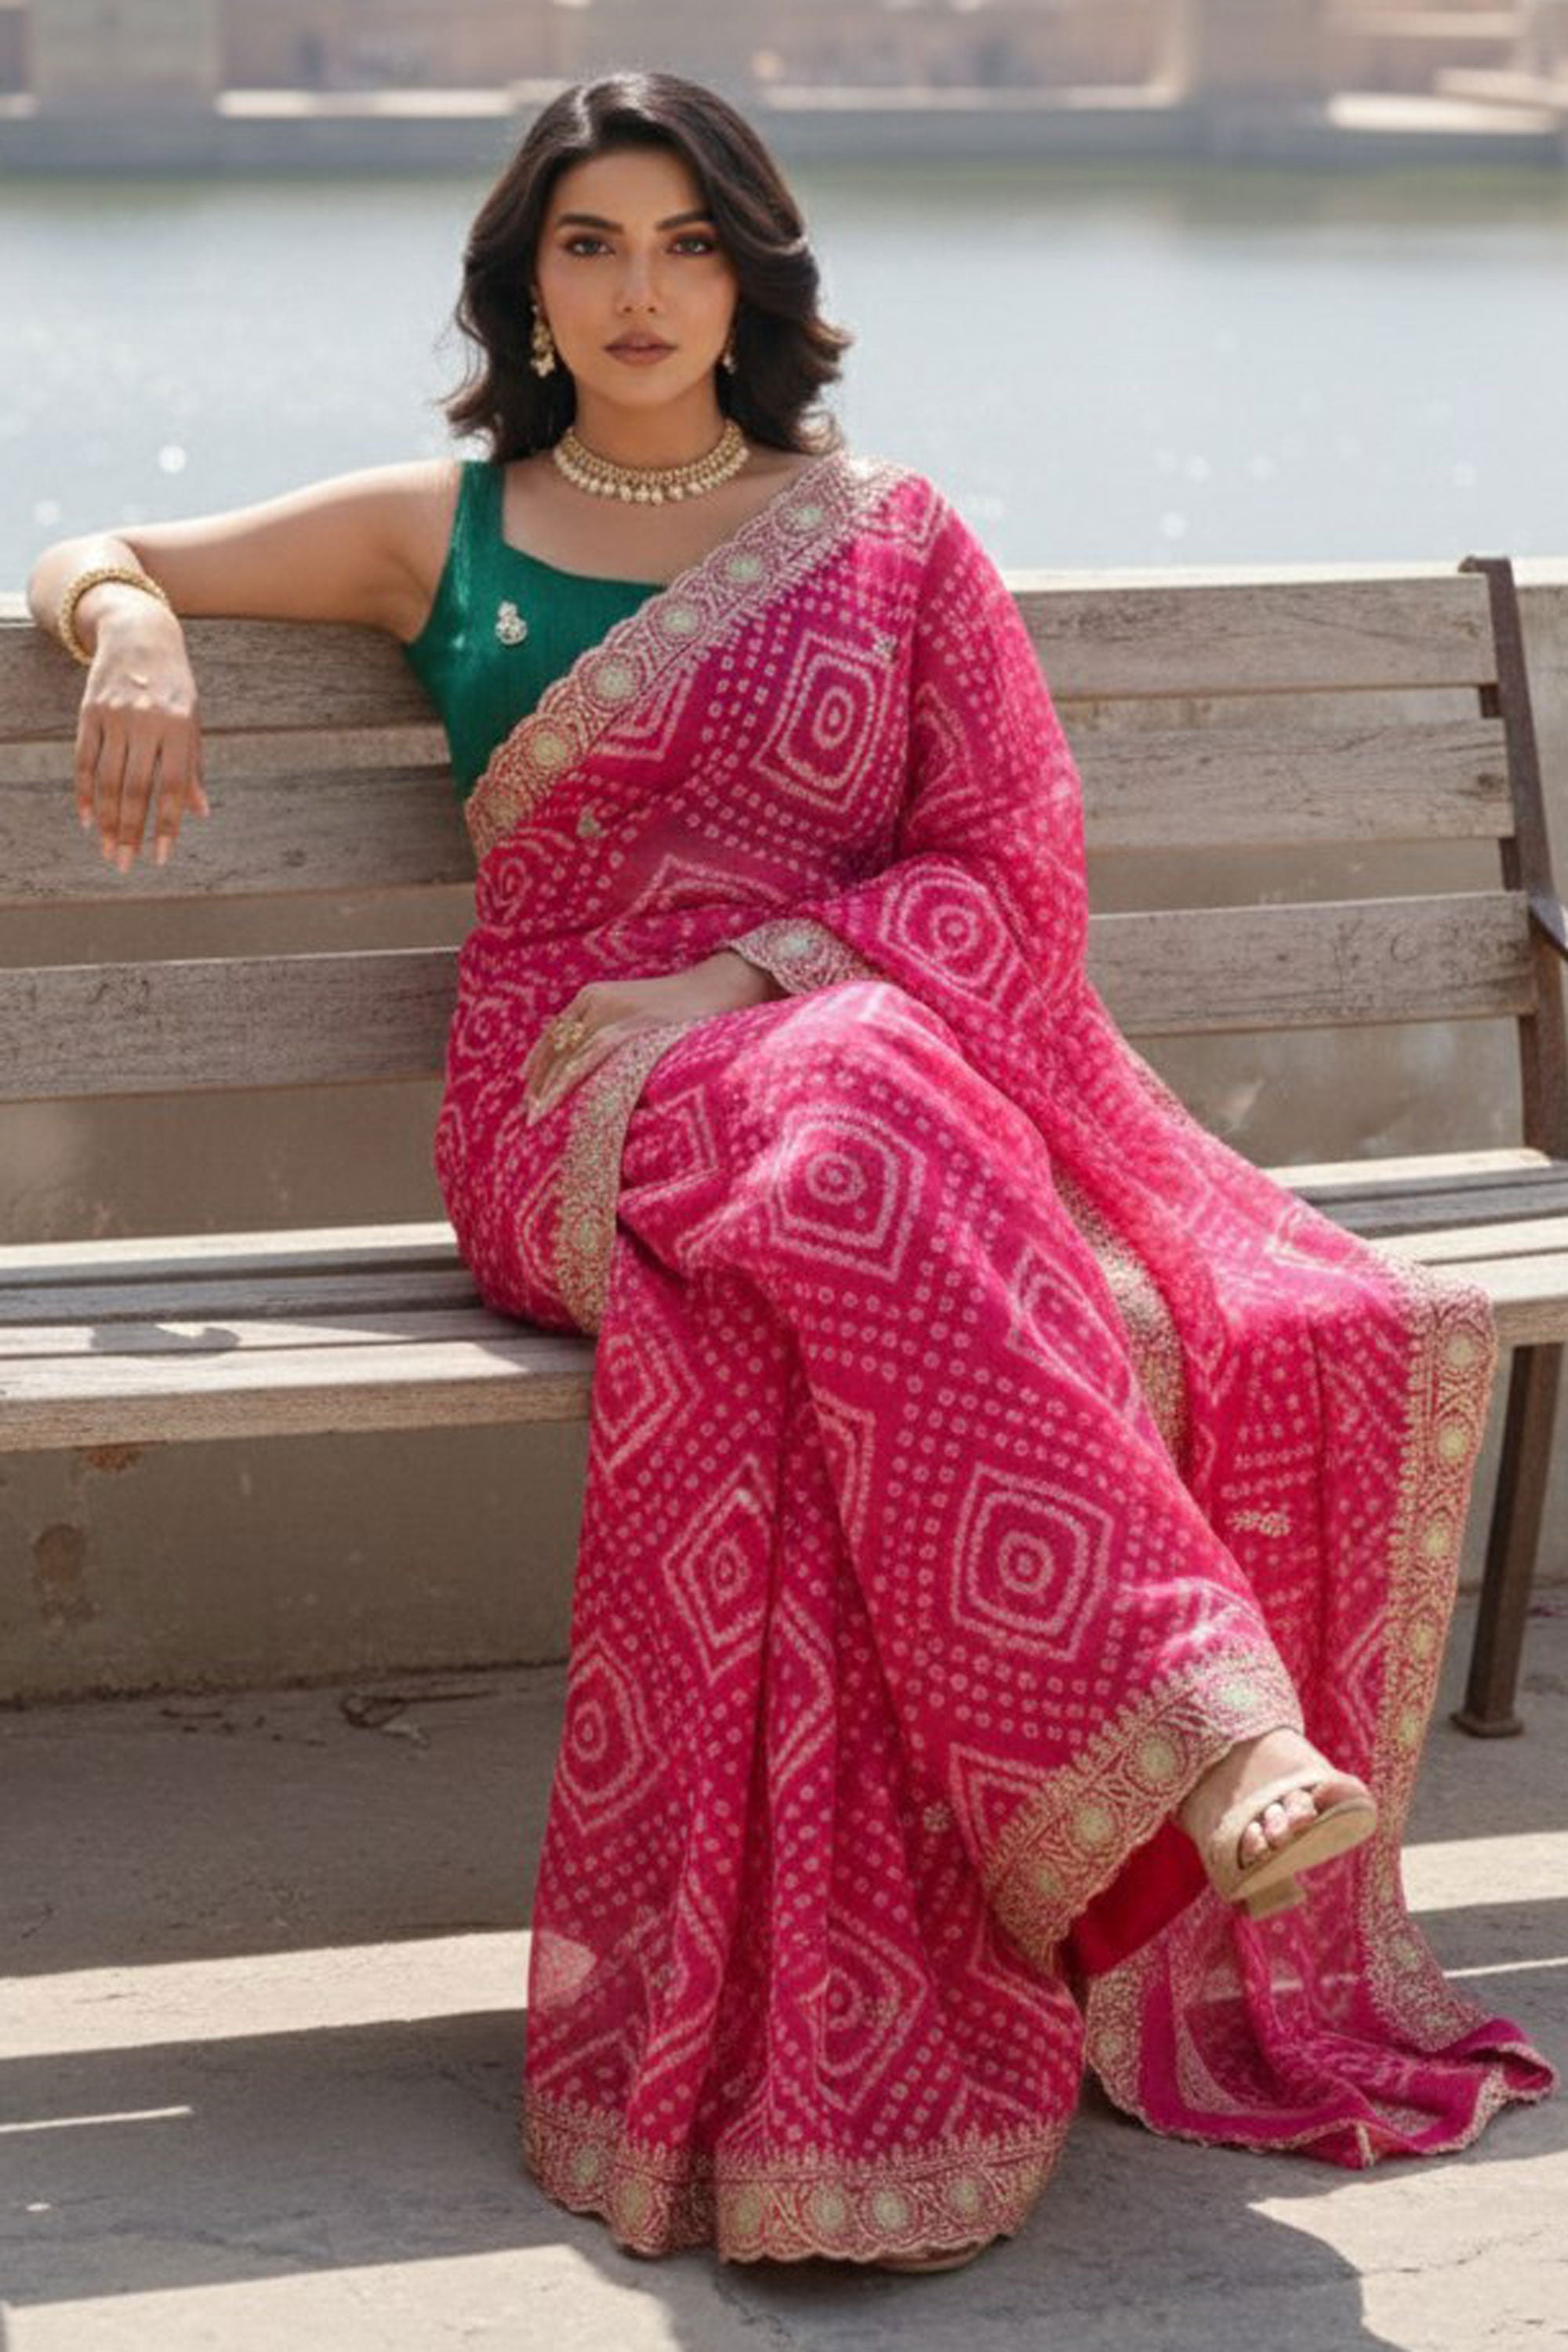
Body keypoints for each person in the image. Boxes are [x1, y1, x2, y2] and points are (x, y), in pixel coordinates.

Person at [25, 69, 1554, 2274]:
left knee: (857, 1126)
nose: (640, 290)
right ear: (527, 286)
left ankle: (1126, 1805)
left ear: (752, 278)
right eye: (591, 245)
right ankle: (1206, 1732)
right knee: (865, 1091)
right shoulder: (442, 529)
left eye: (685, 243)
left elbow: (1012, 868)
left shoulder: (887, 536)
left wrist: (748, 970)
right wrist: (137, 627)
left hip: (843, 1113)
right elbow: (99, 547)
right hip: (570, 1113)